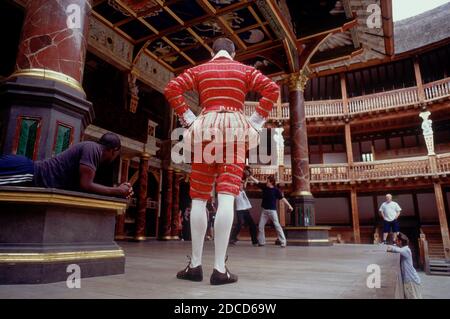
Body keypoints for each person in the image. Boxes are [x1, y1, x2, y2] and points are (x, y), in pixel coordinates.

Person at [164, 37, 279, 285]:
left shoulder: (200, 70)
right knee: (227, 197)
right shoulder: (245, 70)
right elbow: (273, 89)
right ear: (234, 52)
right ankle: (219, 269)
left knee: (199, 198)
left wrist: (189, 119)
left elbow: (172, 88)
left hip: (205, 131)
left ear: (212, 51)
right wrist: (256, 122)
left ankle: (194, 266)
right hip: (235, 132)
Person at [0, 133, 133, 198]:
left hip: (28, 175)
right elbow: (86, 185)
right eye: (117, 155)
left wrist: (120, 190)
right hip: (26, 172)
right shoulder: (92, 148)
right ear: (113, 150)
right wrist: (118, 191)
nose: (114, 158)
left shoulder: (92, 152)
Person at [248, 175, 293, 247]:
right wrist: (250, 177)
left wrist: (289, 205)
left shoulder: (276, 190)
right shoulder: (264, 187)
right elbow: (257, 182)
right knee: (260, 226)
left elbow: (282, 198)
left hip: (272, 211)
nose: (266, 182)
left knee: (277, 226)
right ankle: (262, 242)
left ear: (271, 182)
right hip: (264, 211)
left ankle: (283, 242)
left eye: (268, 181)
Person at [387, 233, 422, 299]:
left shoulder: (406, 250)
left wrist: (390, 248)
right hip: (408, 280)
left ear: (400, 241)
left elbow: (396, 249)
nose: (395, 242)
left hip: (411, 280)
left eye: (397, 240)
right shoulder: (404, 249)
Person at [229, 181, 258, 246]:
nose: (242, 187)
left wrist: (247, 179)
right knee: (240, 224)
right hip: (240, 210)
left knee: (252, 225)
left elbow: (244, 185)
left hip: (246, 210)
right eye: (240, 185)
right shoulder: (236, 192)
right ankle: (232, 239)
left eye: (242, 185)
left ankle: (255, 241)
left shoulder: (243, 191)